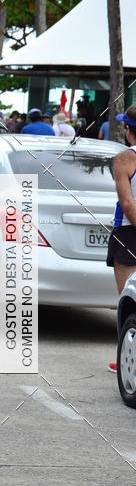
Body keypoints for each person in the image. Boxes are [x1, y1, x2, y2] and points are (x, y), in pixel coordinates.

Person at [106, 106, 136, 372]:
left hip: (129, 233)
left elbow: (127, 203)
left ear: (128, 130)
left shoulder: (125, 159)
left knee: (128, 299)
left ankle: (128, 357)